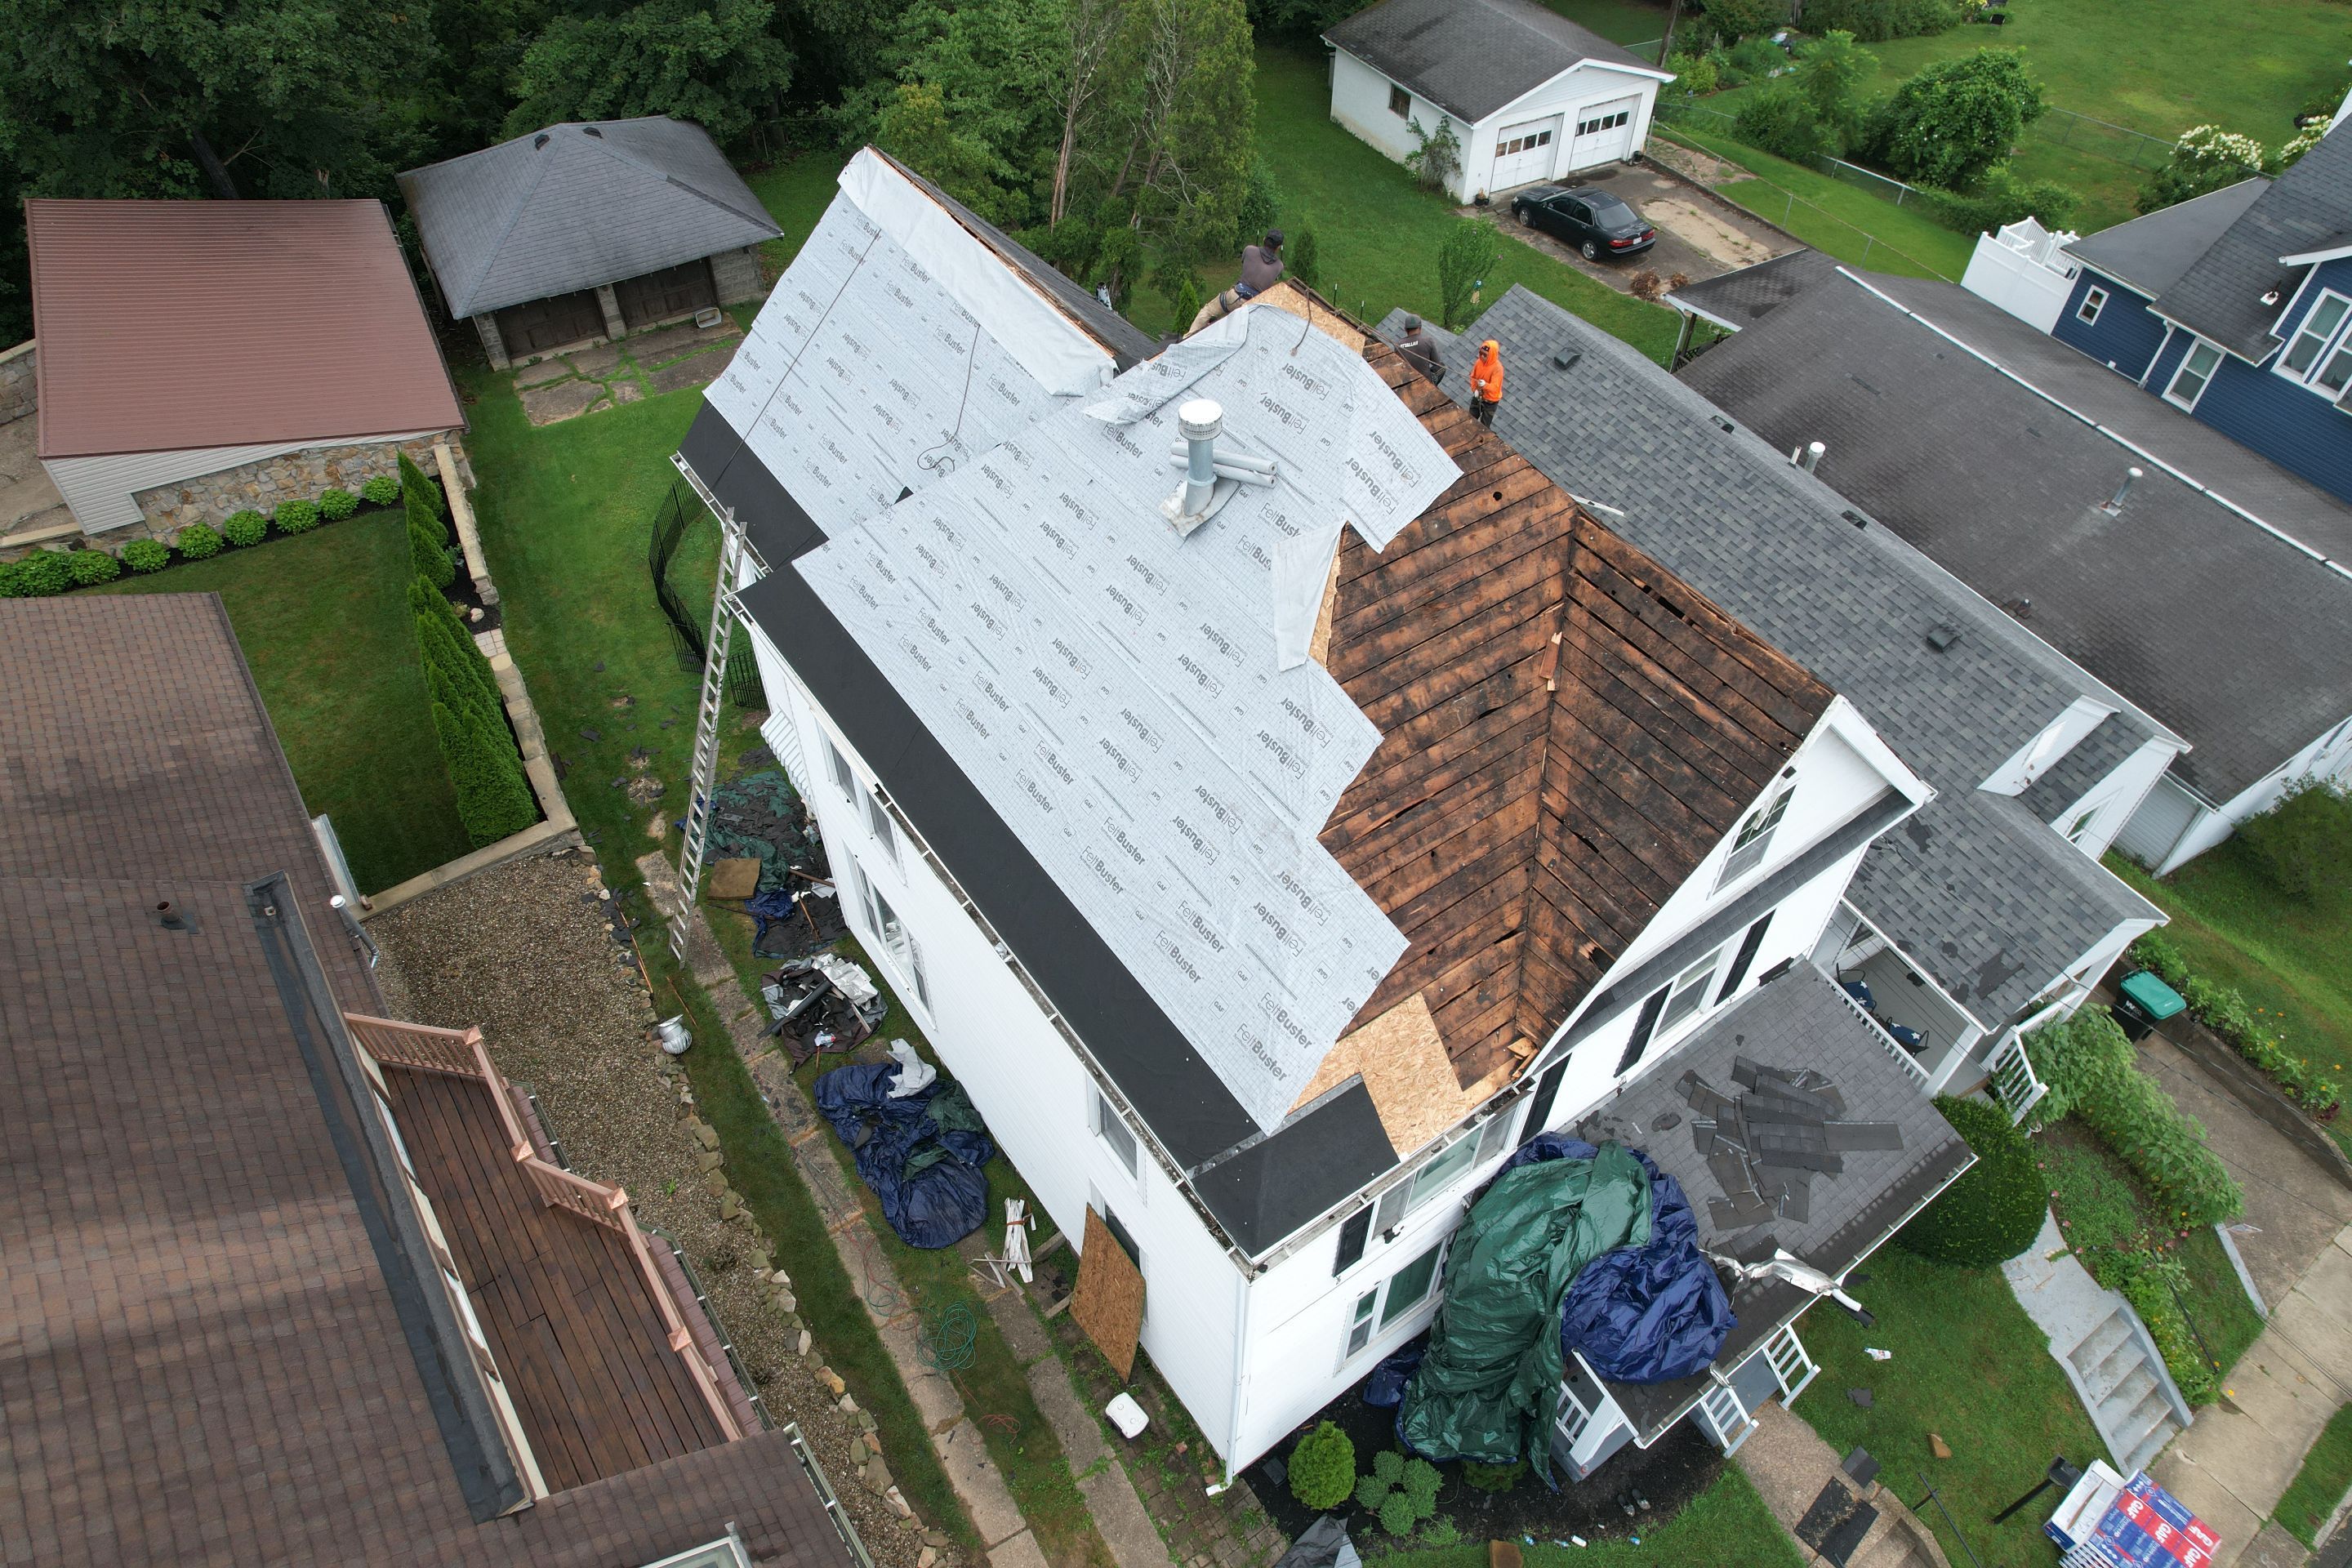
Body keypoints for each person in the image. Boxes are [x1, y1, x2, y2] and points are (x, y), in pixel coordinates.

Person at [1189, 230, 1285, 333]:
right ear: (1279, 247)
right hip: (1252, 308)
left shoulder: (1249, 250)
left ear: (1264, 239)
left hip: (1236, 295)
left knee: (1208, 310)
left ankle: (1187, 338)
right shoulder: (1279, 266)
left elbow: (1245, 264)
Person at [1395, 316, 1445, 385]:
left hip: (1406, 383)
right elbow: (1437, 362)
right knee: (1442, 366)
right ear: (1420, 328)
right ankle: (1432, 385)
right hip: (1425, 381)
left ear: (1405, 329)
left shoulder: (1398, 344)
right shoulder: (1428, 340)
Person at [1469, 339, 1504, 427]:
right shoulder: (1478, 362)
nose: (1482, 356)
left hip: (1490, 402)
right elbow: (1473, 377)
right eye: (1480, 353)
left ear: (1491, 355)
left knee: (1484, 427)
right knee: (1469, 420)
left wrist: (1485, 385)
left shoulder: (1498, 368)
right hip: (1479, 396)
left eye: (1485, 355)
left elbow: (1495, 387)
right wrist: (1474, 390)